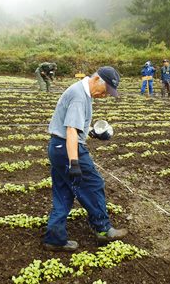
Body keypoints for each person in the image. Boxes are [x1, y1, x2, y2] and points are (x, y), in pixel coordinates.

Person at [43, 66, 128, 252]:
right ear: (97, 79)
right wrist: (74, 163)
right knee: (93, 184)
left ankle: (54, 238)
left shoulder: (82, 93)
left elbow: (76, 126)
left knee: (64, 192)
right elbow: (71, 130)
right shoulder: (79, 96)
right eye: (105, 91)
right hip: (67, 149)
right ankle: (103, 229)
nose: (104, 96)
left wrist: (94, 133)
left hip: (57, 148)